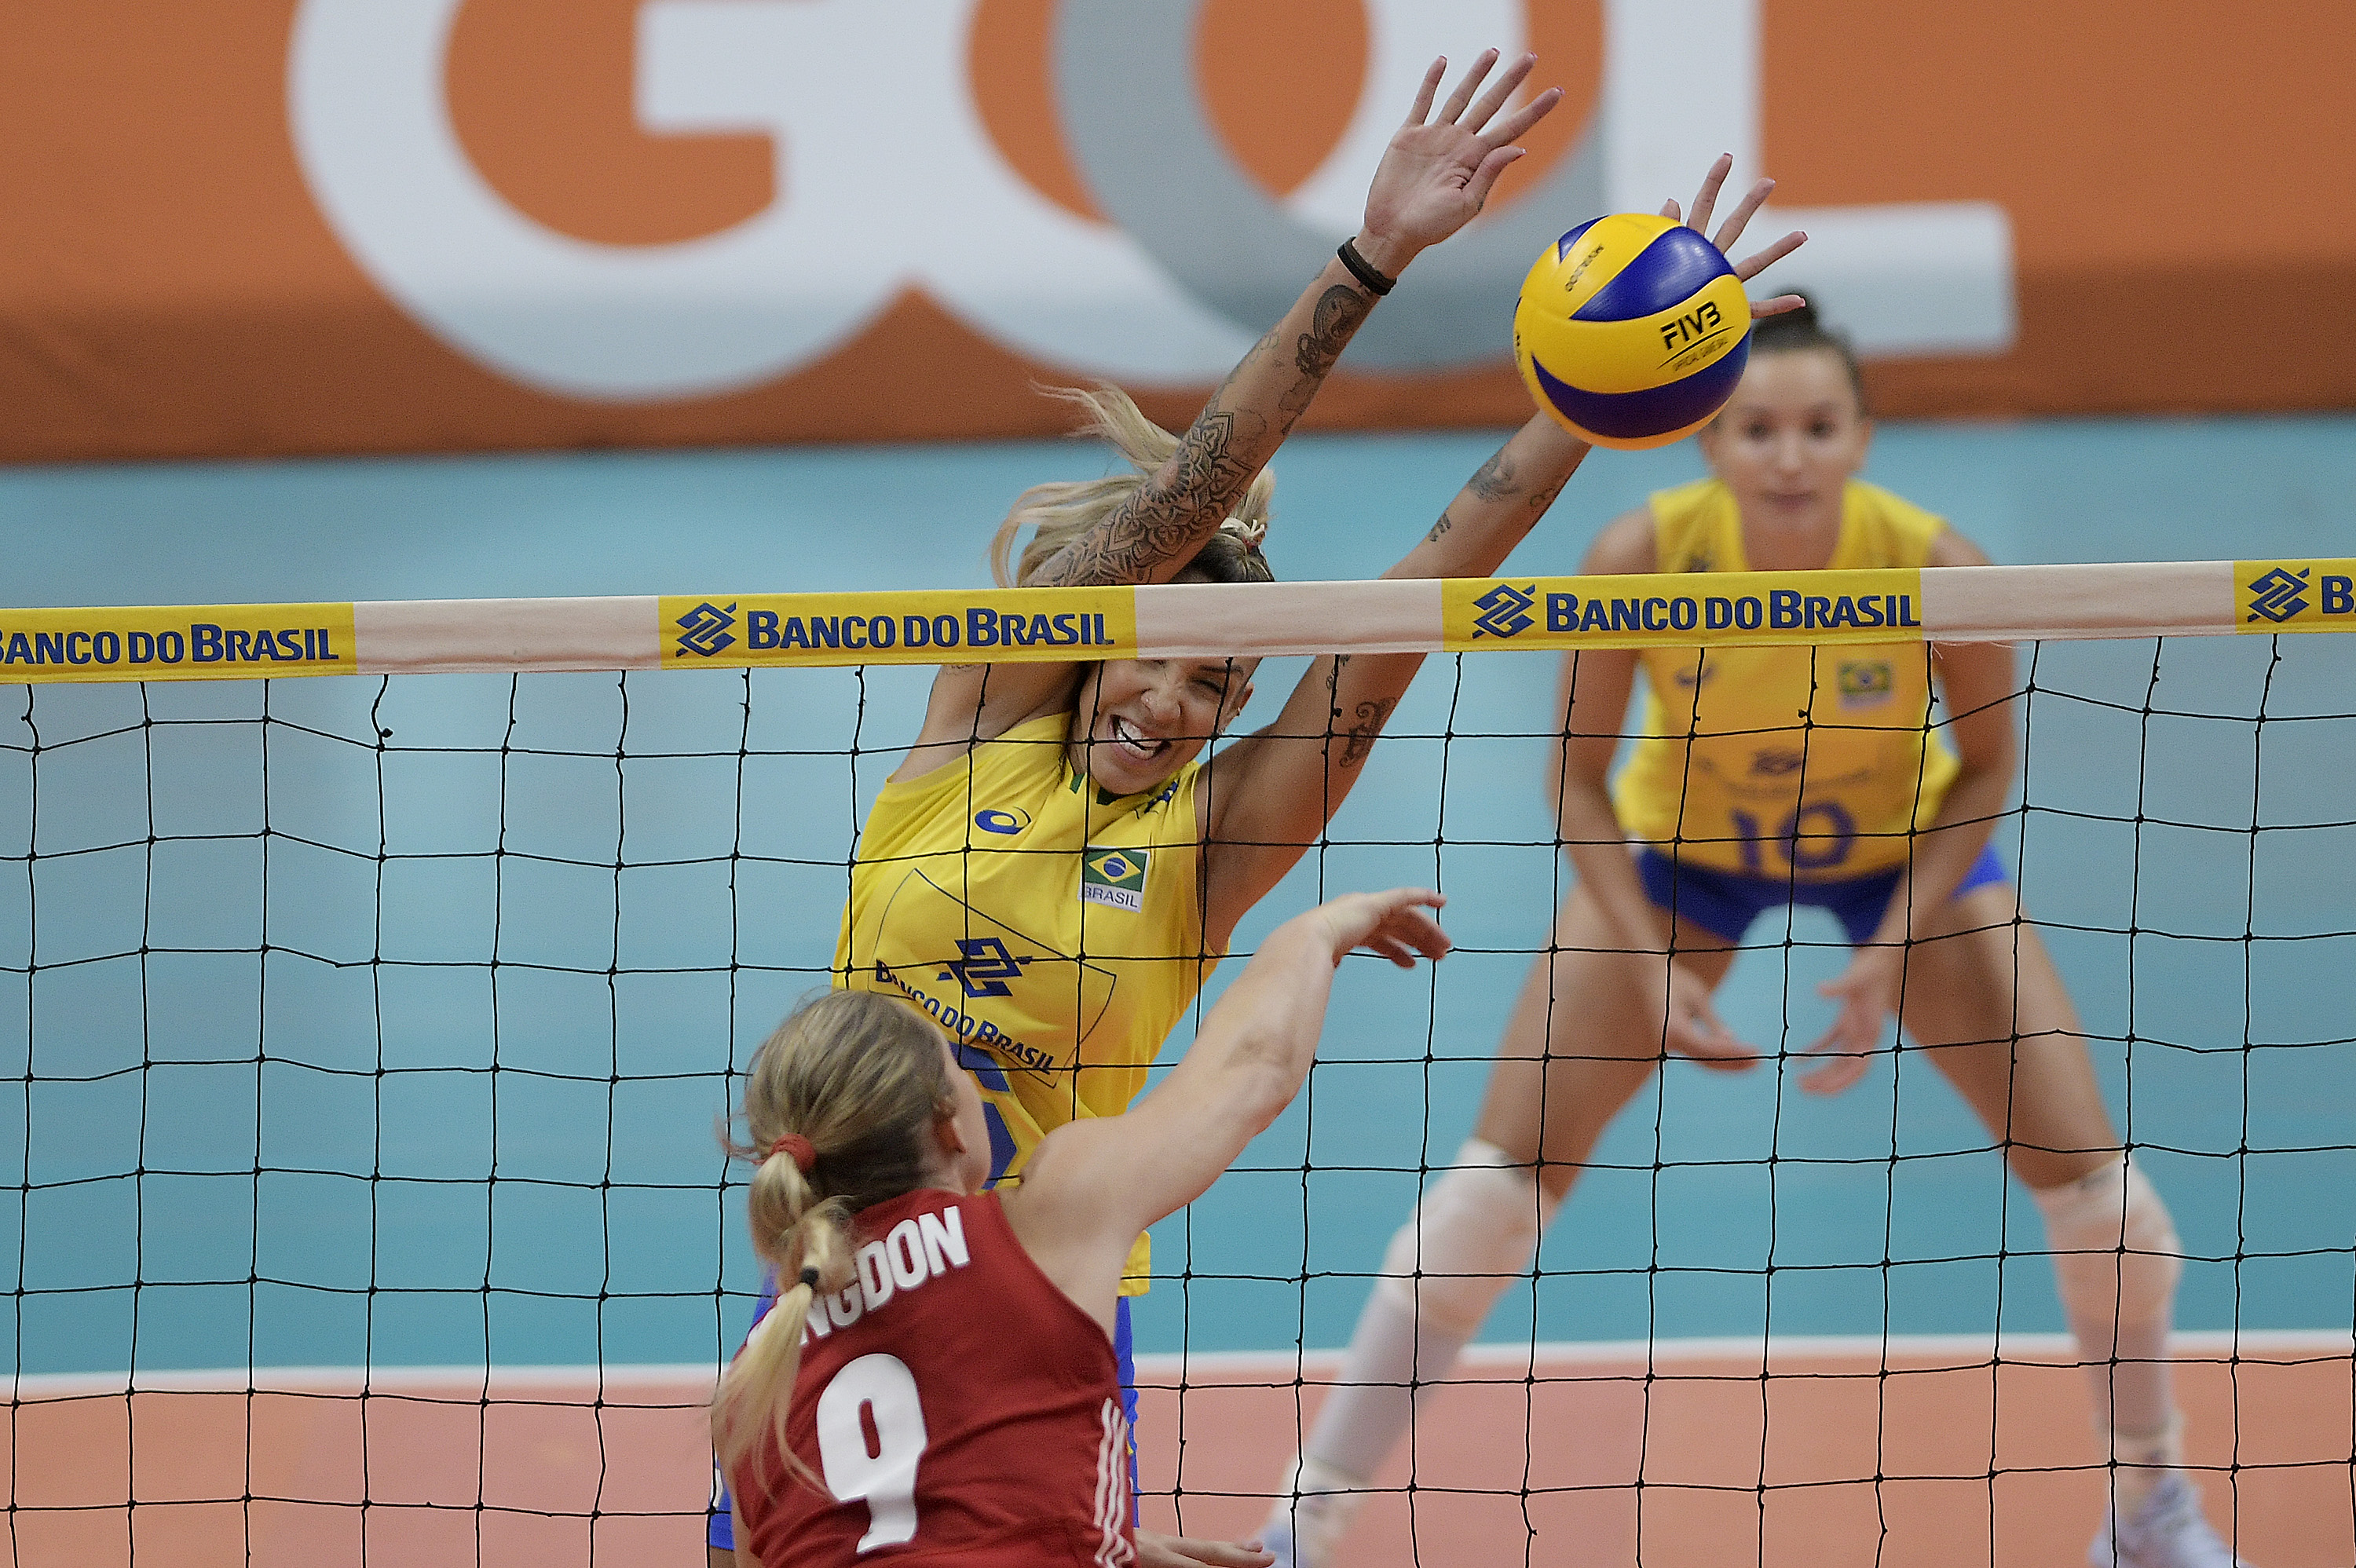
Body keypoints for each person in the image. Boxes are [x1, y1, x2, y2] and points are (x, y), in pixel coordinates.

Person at [705, 51, 1803, 1559]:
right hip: (844, 1289)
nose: (1173, 704)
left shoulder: (1207, 853)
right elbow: (1191, 494)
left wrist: (1592, 407)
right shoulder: (975, 724)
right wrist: (1375, 257)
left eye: (1220, 691)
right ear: (1105, 646)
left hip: (1050, 1293)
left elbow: (1424, 592)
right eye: (1162, 665)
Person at [1262, 304, 2252, 1568]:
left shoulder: (1936, 565)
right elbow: (1573, 780)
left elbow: (1986, 768)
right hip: (1684, 869)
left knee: (2110, 1204)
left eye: (1817, 428)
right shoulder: (1641, 556)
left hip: (1898, 862)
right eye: (1755, 429)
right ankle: (1306, 1515)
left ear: (1861, 439)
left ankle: (2150, 1506)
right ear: (1708, 442)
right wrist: (1645, 958)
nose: (1788, 456)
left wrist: (1892, 947)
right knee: (1487, 1196)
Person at [712, 886, 1451, 1567]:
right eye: (959, 1068)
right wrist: (1319, 927)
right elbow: (1254, 1066)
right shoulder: (1047, 1221)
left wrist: (1084, 1535)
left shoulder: (755, 1379)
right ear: (950, 1127)